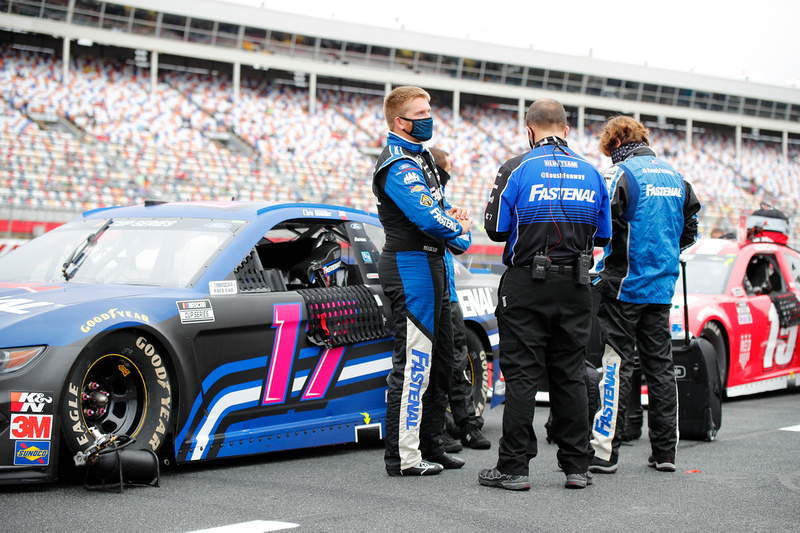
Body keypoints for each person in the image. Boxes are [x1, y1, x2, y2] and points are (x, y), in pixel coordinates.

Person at [479, 98, 612, 490]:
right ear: (566, 130)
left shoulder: (516, 167)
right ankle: (577, 467)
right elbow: (603, 235)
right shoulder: (592, 171)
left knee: (521, 375)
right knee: (570, 374)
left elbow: (495, 229)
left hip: (527, 284)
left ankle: (514, 468)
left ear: (529, 129)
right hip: (575, 284)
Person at [589, 115, 701, 475]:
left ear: (615, 144)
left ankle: (605, 452)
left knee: (616, 365)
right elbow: (690, 233)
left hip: (624, 286)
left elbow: (601, 230)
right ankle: (666, 452)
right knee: (661, 367)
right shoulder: (677, 177)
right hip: (661, 287)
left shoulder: (621, 174)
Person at [372, 86, 473, 477]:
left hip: (433, 266)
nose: (429, 116)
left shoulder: (424, 157)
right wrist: (460, 232)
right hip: (409, 265)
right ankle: (403, 456)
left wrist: (454, 226)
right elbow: (431, 219)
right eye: (421, 111)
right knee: (414, 362)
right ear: (401, 121)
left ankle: (433, 445)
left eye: (429, 108)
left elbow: (442, 209)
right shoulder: (398, 163)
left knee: (442, 362)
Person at [429, 147, 491, 452]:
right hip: (426, 294)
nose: (449, 177)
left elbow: (463, 240)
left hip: (449, 295)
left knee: (456, 361)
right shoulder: (422, 204)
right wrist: (449, 225)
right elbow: (443, 231)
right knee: (433, 365)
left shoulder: (444, 205)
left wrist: (449, 225)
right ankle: (437, 428)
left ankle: (468, 425)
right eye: (447, 170)